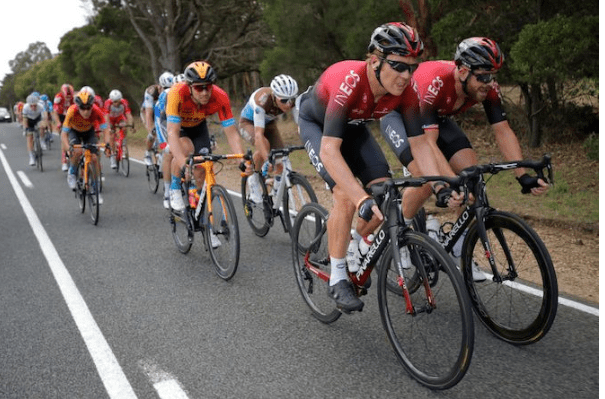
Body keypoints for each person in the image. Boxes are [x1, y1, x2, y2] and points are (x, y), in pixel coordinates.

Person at [379, 37, 550, 281]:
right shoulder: (435, 81)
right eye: (482, 76)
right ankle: (400, 232)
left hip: (437, 119)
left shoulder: (488, 88)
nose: (488, 83)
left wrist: (522, 175)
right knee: (427, 177)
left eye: (491, 76)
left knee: (473, 177)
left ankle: (459, 247)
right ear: (462, 71)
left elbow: (502, 129)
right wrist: (448, 183)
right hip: (400, 116)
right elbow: (427, 144)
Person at [297, 22, 438, 312]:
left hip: (355, 128)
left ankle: (354, 243)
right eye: (398, 66)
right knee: (347, 196)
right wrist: (360, 197)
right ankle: (337, 277)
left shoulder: (405, 90)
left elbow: (421, 144)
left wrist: (438, 181)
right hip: (319, 127)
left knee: (384, 194)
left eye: (413, 67)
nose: (406, 75)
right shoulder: (349, 80)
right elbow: (329, 149)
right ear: (375, 61)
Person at [166, 60, 245, 213]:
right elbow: (172, 133)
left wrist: (240, 159)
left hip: (198, 126)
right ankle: (174, 188)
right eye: (198, 88)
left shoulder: (220, 96)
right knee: (186, 149)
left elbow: (232, 133)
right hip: (178, 126)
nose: (204, 92)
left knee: (202, 167)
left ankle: (197, 208)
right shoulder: (177, 94)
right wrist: (183, 164)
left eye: (208, 87)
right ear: (189, 87)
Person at [238, 74, 299, 202]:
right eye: (284, 101)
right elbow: (259, 135)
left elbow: (301, 126)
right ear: (274, 96)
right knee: (264, 145)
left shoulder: (291, 102)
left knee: (281, 159)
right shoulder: (263, 100)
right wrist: (267, 160)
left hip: (269, 124)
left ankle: (274, 196)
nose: (288, 104)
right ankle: (253, 180)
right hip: (248, 123)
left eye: (291, 99)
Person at [62, 88, 111, 203]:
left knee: (94, 158)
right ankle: (72, 173)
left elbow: (106, 130)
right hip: (74, 132)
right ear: (78, 107)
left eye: (88, 108)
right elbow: (64, 134)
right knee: (77, 151)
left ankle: (95, 189)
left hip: (89, 132)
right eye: (82, 108)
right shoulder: (71, 111)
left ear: (92, 106)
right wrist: (68, 147)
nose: (86, 111)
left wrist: (107, 144)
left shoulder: (97, 111)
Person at [153, 74, 178, 208]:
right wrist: (165, 144)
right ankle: (168, 192)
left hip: (180, 123)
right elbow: (160, 124)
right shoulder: (164, 98)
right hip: (164, 124)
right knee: (168, 153)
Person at [144, 71, 174, 166]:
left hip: (163, 112)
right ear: (159, 87)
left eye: (170, 88)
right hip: (150, 110)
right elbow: (148, 114)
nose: (167, 91)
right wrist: (152, 130)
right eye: (165, 88)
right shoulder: (151, 92)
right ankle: (147, 153)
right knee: (153, 133)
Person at [104, 89, 134, 169]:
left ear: (121, 100)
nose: (116, 104)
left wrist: (131, 125)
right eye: (114, 102)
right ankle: (113, 155)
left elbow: (128, 114)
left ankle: (123, 144)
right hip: (110, 119)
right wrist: (108, 127)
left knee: (124, 127)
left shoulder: (124, 102)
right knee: (111, 135)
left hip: (119, 118)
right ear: (111, 100)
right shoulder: (107, 103)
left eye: (118, 101)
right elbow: (106, 116)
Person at [21, 92, 48, 165]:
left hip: (38, 119)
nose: (33, 107)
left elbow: (44, 117)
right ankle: (31, 157)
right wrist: (26, 128)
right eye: (31, 106)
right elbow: (24, 119)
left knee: (42, 126)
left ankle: (42, 141)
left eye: (35, 106)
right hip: (29, 120)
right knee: (29, 138)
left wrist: (45, 124)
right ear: (29, 105)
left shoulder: (41, 106)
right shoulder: (25, 107)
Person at [53, 83, 75, 171]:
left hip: (70, 115)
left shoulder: (74, 97)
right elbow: (55, 112)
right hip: (61, 115)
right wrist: (58, 122)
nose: (68, 98)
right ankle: (64, 161)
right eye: (67, 96)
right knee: (64, 137)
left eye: (70, 97)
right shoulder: (58, 97)